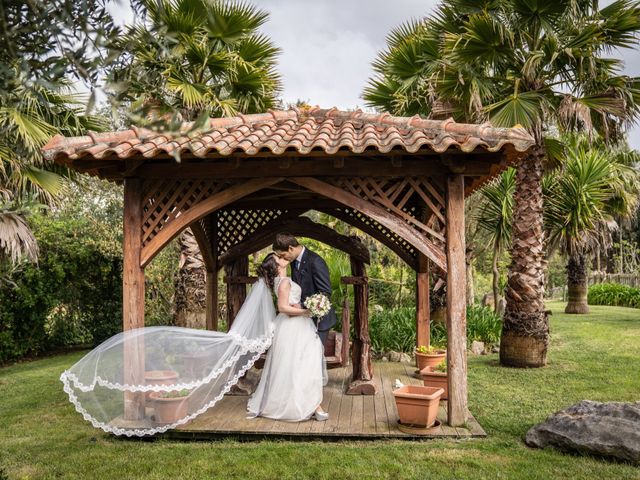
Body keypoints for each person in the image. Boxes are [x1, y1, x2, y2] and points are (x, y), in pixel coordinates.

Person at [247, 252, 329, 421]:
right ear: (277, 266)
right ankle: (310, 406)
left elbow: (289, 303)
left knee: (300, 365)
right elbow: (283, 308)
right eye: (280, 259)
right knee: (301, 365)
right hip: (294, 327)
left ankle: (313, 404)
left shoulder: (282, 281)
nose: (284, 258)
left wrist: (300, 305)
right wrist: (307, 311)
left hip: (297, 326)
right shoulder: (284, 282)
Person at [272, 233, 338, 346]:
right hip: (301, 320)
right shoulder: (293, 262)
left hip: (319, 321)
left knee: (313, 358)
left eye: (283, 255)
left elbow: (325, 292)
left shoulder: (315, 262)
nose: (283, 259)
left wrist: (302, 306)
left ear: (291, 248)